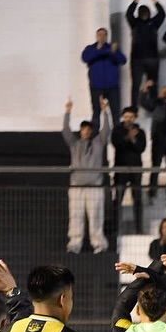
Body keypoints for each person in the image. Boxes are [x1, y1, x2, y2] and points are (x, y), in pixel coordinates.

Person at [62, 97, 112, 254]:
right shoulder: (74, 144)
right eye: (84, 128)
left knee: (96, 215)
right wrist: (68, 112)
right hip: (77, 185)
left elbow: (106, 130)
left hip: (95, 186)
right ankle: (74, 244)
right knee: (76, 216)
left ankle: (99, 245)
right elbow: (66, 131)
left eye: (89, 129)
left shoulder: (97, 143)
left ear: (91, 131)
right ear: (81, 130)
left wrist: (105, 111)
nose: (86, 131)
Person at [125, 0, 166, 107]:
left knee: (153, 83)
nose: (144, 14)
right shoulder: (135, 23)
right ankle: (133, 108)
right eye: (142, 12)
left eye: (146, 11)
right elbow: (128, 14)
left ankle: (154, 106)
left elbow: (162, 14)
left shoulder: (154, 23)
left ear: (149, 13)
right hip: (137, 59)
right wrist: (136, 0)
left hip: (152, 58)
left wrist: (155, 1)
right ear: (139, 13)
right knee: (136, 84)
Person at [111, 106, 147, 236]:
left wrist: (133, 139)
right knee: (118, 199)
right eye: (126, 117)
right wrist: (127, 137)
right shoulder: (117, 130)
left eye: (131, 117)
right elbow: (117, 144)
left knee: (137, 199)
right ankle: (115, 228)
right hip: (121, 169)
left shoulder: (140, 132)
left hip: (136, 169)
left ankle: (139, 228)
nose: (128, 119)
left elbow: (141, 148)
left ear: (135, 118)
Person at [82, 28, 126, 133]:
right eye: (99, 35)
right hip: (96, 87)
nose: (102, 37)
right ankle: (95, 137)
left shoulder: (113, 48)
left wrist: (114, 52)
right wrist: (101, 50)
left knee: (115, 113)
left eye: (104, 35)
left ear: (107, 37)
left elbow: (123, 60)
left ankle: (117, 136)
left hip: (112, 87)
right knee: (96, 112)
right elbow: (85, 58)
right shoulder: (90, 48)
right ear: (96, 36)